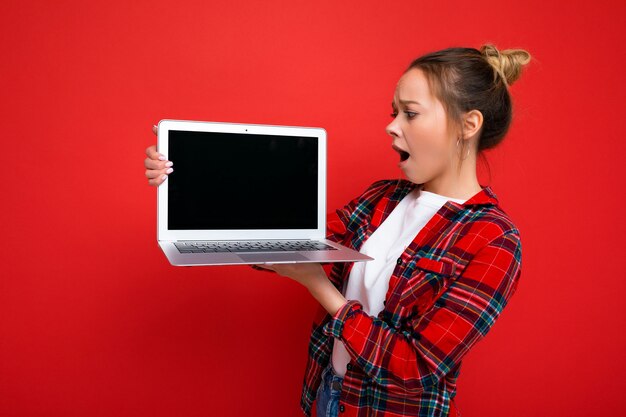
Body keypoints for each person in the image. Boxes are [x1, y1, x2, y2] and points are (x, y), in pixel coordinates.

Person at [143, 43, 531, 417]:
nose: (391, 127)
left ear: (469, 124)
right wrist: (188, 182)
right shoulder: (382, 198)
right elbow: (286, 243)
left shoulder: (494, 240)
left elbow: (417, 368)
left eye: (409, 114)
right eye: (393, 112)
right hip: (329, 394)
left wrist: (323, 290)